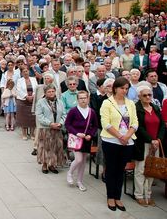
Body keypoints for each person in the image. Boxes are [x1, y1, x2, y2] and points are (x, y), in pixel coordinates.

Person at [100, 77, 138, 212]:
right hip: (111, 141)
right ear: (115, 88)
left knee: (120, 170)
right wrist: (120, 136)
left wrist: (127, 136)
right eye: (122, 88)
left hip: (127, 141)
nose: (124, 91)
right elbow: (106, 123)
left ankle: (118, 196)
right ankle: (110, 196)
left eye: (127, 88)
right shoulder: (107, 103)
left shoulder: (130, 103)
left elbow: (134, 122)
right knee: (111, 169)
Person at [133, 85, 164, 207]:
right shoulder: (136, 109)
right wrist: (151, 140)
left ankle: (148, 195)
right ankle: (139, 195)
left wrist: (158, 139)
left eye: (149, 95)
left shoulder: (155, 108)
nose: (147, 97)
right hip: (143, 143)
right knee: (141, 169)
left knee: (152, 170)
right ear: (139, 96)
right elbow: (138, 128)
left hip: (156, 144)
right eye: (144, 95)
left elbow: (162, 125)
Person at [65, 91, 98, 191]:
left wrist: (90, 135)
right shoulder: (73, 111)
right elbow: (68, 124)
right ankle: (70, 173)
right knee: (78, 159)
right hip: (76, 139)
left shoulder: (91, 112)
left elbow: (95, 126)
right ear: (77, 99)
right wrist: (76, 133)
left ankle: (80, 181)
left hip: (86, 139)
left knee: (83, 161)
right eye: (81, 98)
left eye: (85, 98)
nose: (83, 100)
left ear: (88, 99)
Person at [35, 84, 65, 174]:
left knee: (55, 146)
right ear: (45, 93)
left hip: (57, 128)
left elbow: (64, 114)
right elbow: (39, 116)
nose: (51, 93)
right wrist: (50, 123)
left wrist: (60, 123)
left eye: (53, 91)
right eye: (49, 92)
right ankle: (44, 164)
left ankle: (52, 164)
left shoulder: (60, 102)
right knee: (45, 147)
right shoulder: (41, 102)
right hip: (45, 128)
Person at [16, 65, 38, 140]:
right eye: (24, 71)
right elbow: (19, 90)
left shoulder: (33, 79)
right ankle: (24, 134)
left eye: (27, 71)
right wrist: (26, 96)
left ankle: (32, 134)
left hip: (33, 100)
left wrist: (33, 96)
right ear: (21, 73)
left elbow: (36, 89)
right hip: (23, 101)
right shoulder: (19, 80)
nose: (26, 73)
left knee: (32, 118)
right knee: (23, 118)